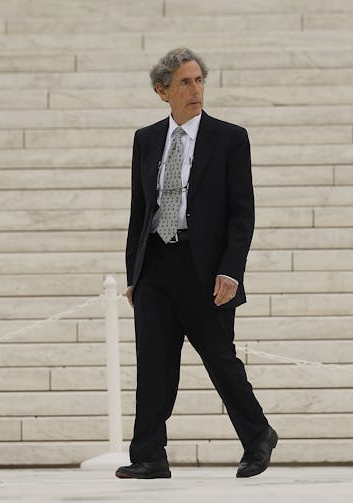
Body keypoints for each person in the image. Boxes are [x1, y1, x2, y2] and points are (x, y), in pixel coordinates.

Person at [116, 47, 277, 480]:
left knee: (220, 359)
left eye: (199, 80)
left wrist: (231, 270)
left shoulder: (230, 138)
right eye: (185, 83)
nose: (195, 90)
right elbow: (139, 210)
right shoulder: (145, 140)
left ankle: (258, 435)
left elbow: (243, 213)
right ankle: (149, 455)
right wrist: (135, 273)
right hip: (155, 265)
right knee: (152, 364)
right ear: (161, 91)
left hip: (204, 267)